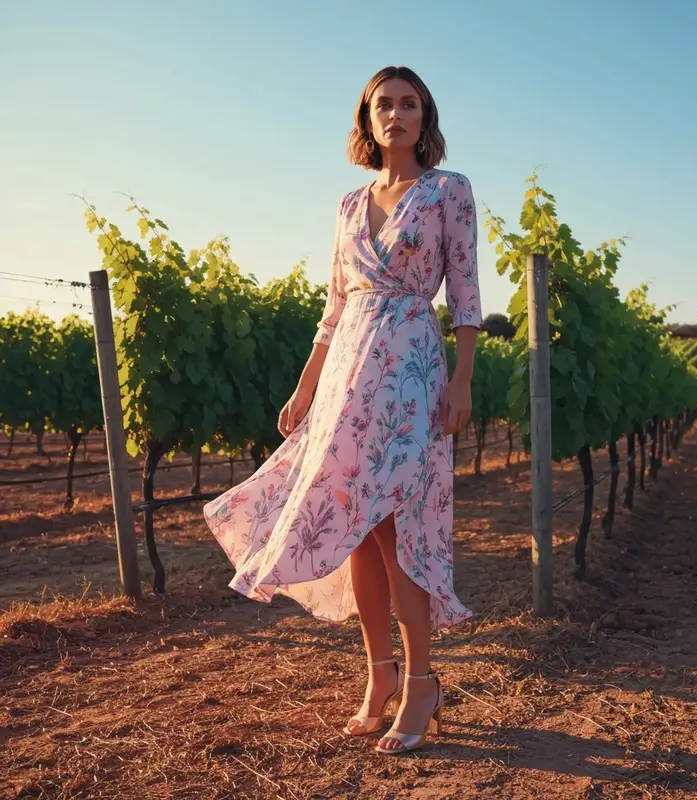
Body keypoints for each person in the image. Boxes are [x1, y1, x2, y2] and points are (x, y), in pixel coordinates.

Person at [203, 65, 482, 755]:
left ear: (425, 117)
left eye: (408, 103)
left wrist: (463, 381)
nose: (396, 114)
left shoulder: (449, 190)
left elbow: (468, 298)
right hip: (346, 381)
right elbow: (333, 310)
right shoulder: (349, 204)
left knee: (398, 529)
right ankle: (379, 677)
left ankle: (422, 682)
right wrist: (305, 387)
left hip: (411, 372)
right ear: (366, 118)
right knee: (356, 527)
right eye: (383, 104)